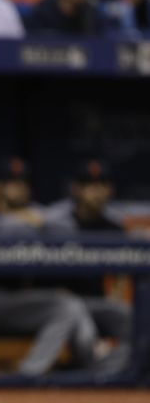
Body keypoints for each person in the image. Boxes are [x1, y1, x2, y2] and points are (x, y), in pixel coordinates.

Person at [0, 157, 100, 376]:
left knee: (69, 307)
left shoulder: (39, 212)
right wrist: (26, 221)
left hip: (27, 297)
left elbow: (68, 230)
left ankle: (28, 376)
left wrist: (38, 221)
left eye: (22, 183)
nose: (18, 188)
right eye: (11, 183)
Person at [45, 159, 132, 372]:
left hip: (96, 302)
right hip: (62, 301)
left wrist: (116, 298)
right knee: (84, 335)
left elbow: (122, 274)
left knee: (137, 323)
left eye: (101, 185)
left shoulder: (114, 227)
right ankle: (87, 377)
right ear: (77, 189)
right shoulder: (57, 223)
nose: (97, 192)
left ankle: (103, 374)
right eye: (90, 186)